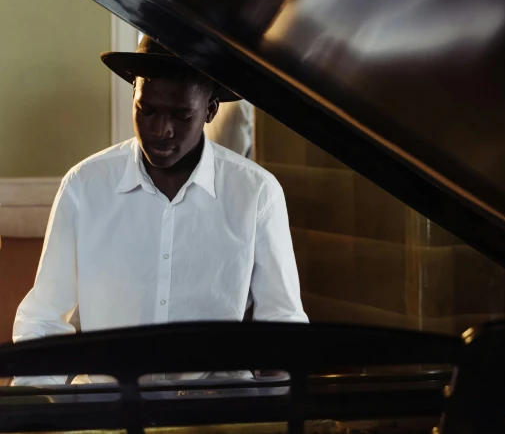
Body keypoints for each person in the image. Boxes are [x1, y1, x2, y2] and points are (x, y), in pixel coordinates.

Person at [12, 36, 307, 386]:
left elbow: (281, 325)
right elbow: (45, 319)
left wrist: (274, 414)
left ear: (211, 110)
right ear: (133, 98)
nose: (159, 130)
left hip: (217, 406)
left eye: (181, 116)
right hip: (111, 407)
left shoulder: (257, 192)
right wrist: (36, 413)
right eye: (146, 110)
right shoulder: (84, 185)